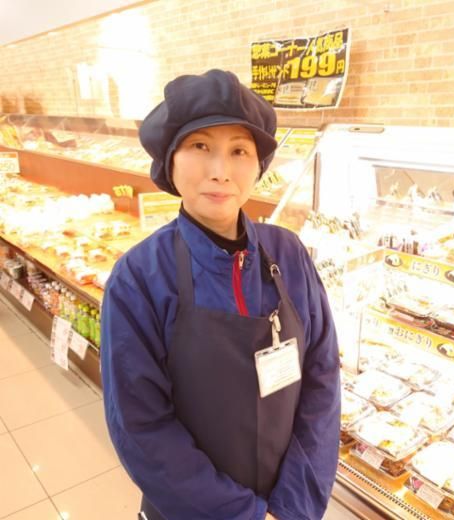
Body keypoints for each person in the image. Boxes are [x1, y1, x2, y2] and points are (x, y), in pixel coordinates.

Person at [100, 69, 341, 520]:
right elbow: (141, 427)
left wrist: (294, 506)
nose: (220, 171)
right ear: (170, 161)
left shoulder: (289, 253)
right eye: (200, 146)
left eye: (239, 151)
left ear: (258, 165)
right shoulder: (138, 278)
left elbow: (322, 380)